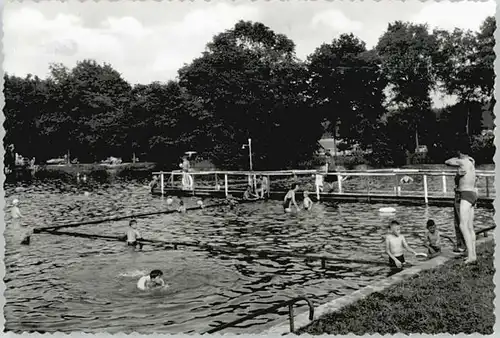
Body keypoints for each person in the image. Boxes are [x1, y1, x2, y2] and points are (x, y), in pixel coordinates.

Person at [445, 141, 477, 264]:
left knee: (463, 226)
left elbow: (447, 162)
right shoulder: (471, 162)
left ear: (459, 152)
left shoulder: (461, 162)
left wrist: (458, 158)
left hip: (465, 194)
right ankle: (473, 253)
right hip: (473, 194)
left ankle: (471, 256)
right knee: (470, 227)